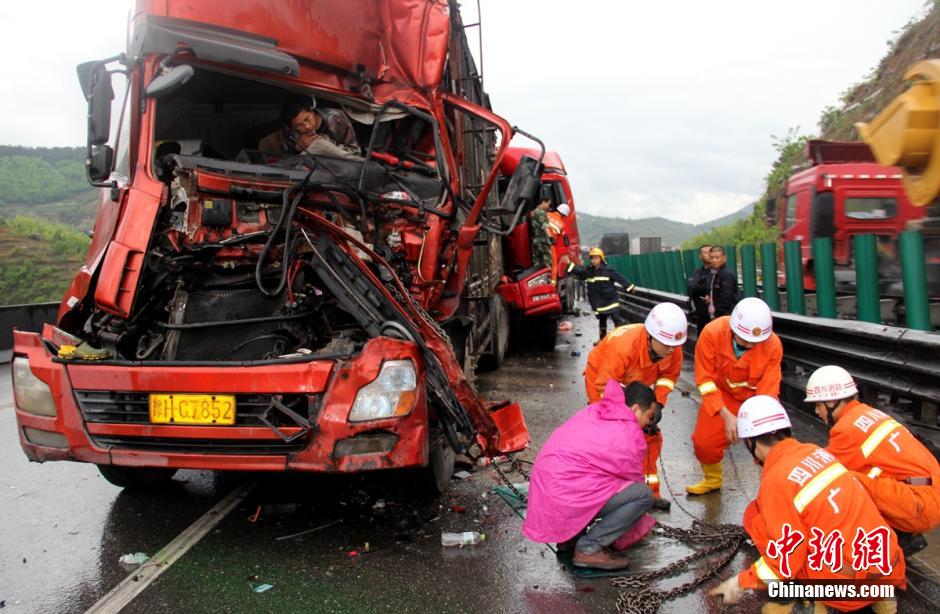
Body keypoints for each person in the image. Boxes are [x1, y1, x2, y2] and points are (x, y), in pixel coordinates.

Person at [710, 396, 905, 613]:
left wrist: (740, 582)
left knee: (756, 518)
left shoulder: (777, 481)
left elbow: (787, 558)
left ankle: (812, 602)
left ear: (750, 441)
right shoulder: (818, 452)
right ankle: (882, 601)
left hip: (847, 587)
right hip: (889, 567)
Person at [805, 365, 940, 556]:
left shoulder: (847, 428)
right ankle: (900, 534)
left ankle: (888, 543)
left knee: (841, 483)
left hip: (919, 504)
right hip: (928, 495)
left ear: (832, 402)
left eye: (818, 405)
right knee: (867, 474)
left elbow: (821, 474)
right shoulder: (869, 413)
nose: (817, 412)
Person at [522, 380, 657, 570]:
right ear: (635, 409)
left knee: (603, 481)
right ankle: (589, 549)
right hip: (565, 496)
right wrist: (637, 525)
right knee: (642, 495)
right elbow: (633, 478)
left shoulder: (596, 410)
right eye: (649, 416)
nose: (648, 423)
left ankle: (571, 537)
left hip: (548, 490)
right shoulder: (628, 432)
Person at [583, 303, 688, 510]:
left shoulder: (672, 348)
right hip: (603, 382)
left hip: (637, 387)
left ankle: (650, 493)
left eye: (674, 345)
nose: (670, 349)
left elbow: (668, 377)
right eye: (665, 344)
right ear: (649, 336)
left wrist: (656, 405)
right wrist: (627, 418)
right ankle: (610, 492)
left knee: (649, 436)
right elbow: (606, 386)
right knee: (611, 439)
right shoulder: (624, 346)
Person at [686, 297, 782, 495]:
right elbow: (704, 379)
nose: (749, 345)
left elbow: (769, 391)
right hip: (721, 396)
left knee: (769, 445)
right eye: (745, 340)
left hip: (756, 399)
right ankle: (712, 479)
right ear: (733, 329)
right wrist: (726, 414)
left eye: (756, 342)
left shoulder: (772, 345)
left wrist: (757, 423)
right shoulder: (712, 333)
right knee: (704, 443)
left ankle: (773, 489)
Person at [567, 247, 636, 342]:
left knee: (617, 320)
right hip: (600, 303)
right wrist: (569, 264)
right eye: (592, 258)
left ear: (601, 258)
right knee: (602, 321)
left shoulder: (608, 270)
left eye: (596, 258)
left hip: (611, 300)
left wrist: (630, 286)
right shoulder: (589, 271)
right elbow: (578, 272)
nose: (594, 260)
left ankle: (620, 341)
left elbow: (620, 278)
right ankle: (602, 340)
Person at [259, 97, 361, 159]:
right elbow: (287, 162)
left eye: (307, 119)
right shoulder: (290, 132)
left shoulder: (336, 118)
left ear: (312, 110)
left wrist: (327, 146)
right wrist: (297, 149)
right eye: (299, 125)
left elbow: (355, 153)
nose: (307, 127)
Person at [707, 245, 740, 319]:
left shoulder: (727, 274)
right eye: (712, 258)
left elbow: (726, 298)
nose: (714, 260)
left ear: (724, 258)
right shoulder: (714, 272)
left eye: (717, 257)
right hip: (719, 313)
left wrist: (716, 314)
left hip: (727, 314)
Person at [686, 244, 712, 331]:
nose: (709, 254)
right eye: (706, 252)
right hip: (700, 315)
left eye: (711, 252)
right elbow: (691, 287)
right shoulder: (697, 272)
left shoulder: (720, 272)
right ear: (700, 256)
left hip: (715, 316)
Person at [546, 203, 571, 284]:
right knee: (554, 265)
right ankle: (552, 283)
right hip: (550, 244)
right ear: (564, 215)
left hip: (539, 240)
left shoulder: (547, 214)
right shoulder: (561, 224)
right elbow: (560, 236)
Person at [529, 198, 554, 269]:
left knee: (536, 263)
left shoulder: (533, 212)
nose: (549, 206)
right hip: (543, 240)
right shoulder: (541, 213)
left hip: (535, 240)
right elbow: (545, 227)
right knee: (548, 262)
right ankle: (548, 278)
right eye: (548, 204)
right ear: (543, 202)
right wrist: (551, 238)